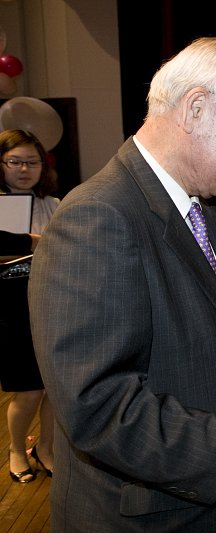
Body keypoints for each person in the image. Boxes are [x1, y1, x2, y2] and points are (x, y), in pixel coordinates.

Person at [28, 36, 216, 531]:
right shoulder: (97, 218)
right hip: (158, 515)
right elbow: (97, 406)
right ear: (197, 108)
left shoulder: (211, 212)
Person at [0, 129, 57, 483]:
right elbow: (9, 255)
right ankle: (16, 450)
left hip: (51, 304)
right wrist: (34, 241)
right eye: (15, 161)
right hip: (11, 312)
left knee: (54, 386)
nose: (24, 169)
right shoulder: (3, 203)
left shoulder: (53, 204)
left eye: (32, 161)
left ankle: (46, 448)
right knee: (28, 389)